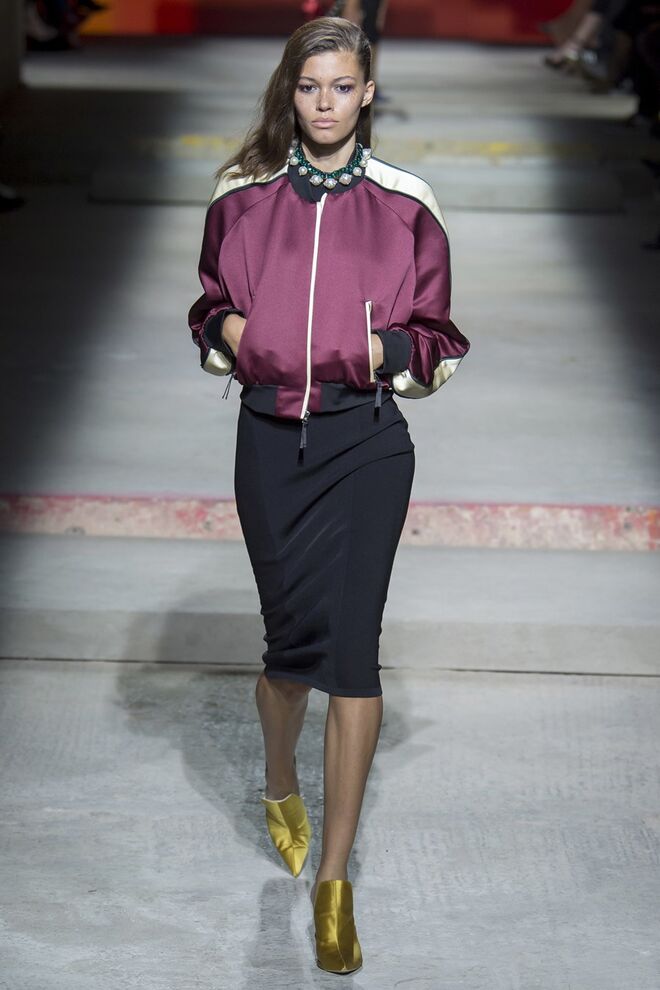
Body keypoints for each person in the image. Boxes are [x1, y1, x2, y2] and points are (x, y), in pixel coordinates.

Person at [188, 15, 470, 975]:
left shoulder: (406, 203)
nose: (325, 103)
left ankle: (335, 885)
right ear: (290, 91)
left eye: (342, 86)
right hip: (269, 444)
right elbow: (209, 307)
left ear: (367, 93)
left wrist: (367, 351)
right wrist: (247, 339)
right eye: (309, 87)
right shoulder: (242, 194)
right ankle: (279, 778)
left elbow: (437, 338)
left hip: (366, 445)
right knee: (288, 659)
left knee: (353, 657)